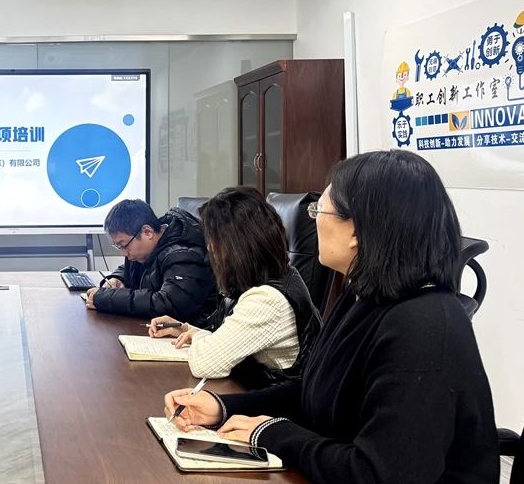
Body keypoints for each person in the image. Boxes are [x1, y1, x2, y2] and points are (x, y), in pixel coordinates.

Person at [163, 150, 498, 483]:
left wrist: (271, 433)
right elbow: (314, 392)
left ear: (357, 231)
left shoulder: (423, 327)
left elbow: (377, 474)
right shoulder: (362, 296)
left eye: (319, 210)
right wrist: (224, 407)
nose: (314, 221)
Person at [148, 187, 320, 389]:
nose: (210, 248)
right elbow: (234, 336)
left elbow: (205, 363)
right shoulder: (279, 275)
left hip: (269, 402)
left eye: (213, 240)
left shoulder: (267, 300)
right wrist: (186, 329)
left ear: (234, 244)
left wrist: (200, 337)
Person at [84, 199, 217, 327]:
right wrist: (118, 278)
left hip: (194, 332)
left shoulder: (184, 254)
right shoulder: (151, 245)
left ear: (147, 232)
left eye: (124, 245)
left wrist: (108, 299)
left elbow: (169, 303)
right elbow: (140, 270)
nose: (123, 253)